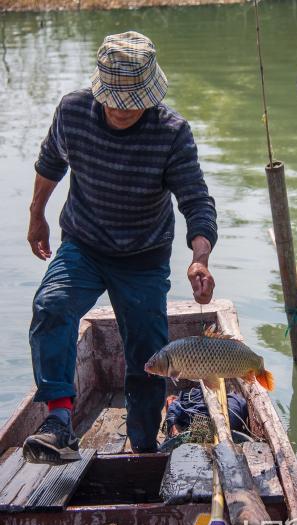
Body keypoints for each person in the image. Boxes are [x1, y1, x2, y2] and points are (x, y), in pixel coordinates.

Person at [22, 31, 217, 464]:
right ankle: (58, 421)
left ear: (149, 95)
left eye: (132, 100)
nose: (121, 108)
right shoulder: (73, 112)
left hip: (143, 258)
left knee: (148, 354)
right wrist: (37, 214)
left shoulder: (171, 133)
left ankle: (145, 445)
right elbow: (49, 162)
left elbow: (196, 200)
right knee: (51, 306)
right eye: (113, 99)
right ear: (99, 90)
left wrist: (199, 257)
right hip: (84, 246)